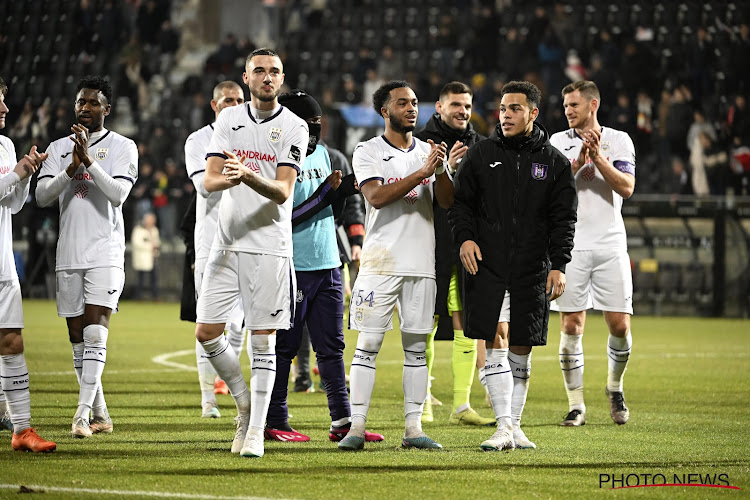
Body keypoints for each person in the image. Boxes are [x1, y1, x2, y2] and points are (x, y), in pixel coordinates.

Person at [449, 81, 577, 451]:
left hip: (533, 268)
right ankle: (503, 426)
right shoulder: (480, 154)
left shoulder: (554, 163)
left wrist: (559, 264)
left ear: (533, 113)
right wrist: (466, 239)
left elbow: (564, 219)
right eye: (503, 109)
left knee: (522, 344)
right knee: (494, 338)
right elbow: (460, 205)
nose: (505, 115)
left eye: (515, 109)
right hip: (486, 264)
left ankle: (514, 426)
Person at [194, 48, 308, 459]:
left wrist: (246, 174)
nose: (267, 77)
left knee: (263, 341)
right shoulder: (229, 119)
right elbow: (208, 180)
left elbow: (283, 191)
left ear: (282, 78)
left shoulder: (294, 127)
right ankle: (244, 403)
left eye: (274, 71)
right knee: (206, 333)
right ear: (246, 78)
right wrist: (232, 178)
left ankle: (255, 430)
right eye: (259, 71)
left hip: (269, 249)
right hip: (226, 242)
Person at [264, 90, 383, 444]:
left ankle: (342, 422)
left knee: (332, 348)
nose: (314, 129)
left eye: (317, 123)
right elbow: (281, 218)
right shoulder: (278, 159)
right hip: (292, 265)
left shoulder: (329, 156)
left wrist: (340, 197)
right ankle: (275, 421)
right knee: (284, 348)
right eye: (308, 123)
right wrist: (323, 198)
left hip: (330, 262)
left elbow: (331, 215)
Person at [338, 80, 452, 451]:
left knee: (417, 348)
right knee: (368, 344)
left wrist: (444, 169)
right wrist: (422, 172)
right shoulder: (368, 150)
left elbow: (447, 202)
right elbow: (376, 196)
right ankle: (356, 428)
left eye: (415, 102)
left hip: (422, 263)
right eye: (402, 103)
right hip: (379, 262)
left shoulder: (430, 151)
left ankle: (413, 428)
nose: (411, 108)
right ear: (384, 111)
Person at [36, 75, 139, 438]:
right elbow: (42, 197)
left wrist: (89, 162)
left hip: (105, 252)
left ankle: (80, 415)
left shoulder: (124, 147)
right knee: (77, 337)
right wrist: (71, 167)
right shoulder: (58, 146)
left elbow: (117, 195)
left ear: (106, 109)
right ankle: (101, 413)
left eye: (93, 102)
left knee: (96, 333)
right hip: (69, 252)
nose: (85, 108)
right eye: (81, 102)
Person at [549, 80, 636, 427]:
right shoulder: (556, 142)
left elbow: (627, 188)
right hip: (569, 247)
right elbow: (549, 190)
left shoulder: (618, 140)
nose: (568, 110)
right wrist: (575, 165)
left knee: (619, 324)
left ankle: (615, 387)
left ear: (593, 105)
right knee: (571, 324)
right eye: (565, 105)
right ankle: (576, 405)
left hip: (610, 243)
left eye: (574, 105)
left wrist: (597, 157)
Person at [414, 81, 494, 426]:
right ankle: (421, 404)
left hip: (463, 244)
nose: (463, 111)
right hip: (428, 244)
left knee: (465, 322)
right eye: (456, 105)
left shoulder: (481, 144)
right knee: (425, 324)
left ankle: (461, 405)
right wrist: (444, 168)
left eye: (467, 105)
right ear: (439, 107)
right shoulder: (420, 142)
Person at [183, 81, 246, 418]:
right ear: (214, 104)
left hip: (247, 240)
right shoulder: (198, 140)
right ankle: (208, 398)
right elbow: (203, 187)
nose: (233, 105)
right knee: (208, 322)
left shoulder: (253, 134)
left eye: (238, 100)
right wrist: (245, 175)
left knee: (239, 325)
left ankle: (235, 399)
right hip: (210, 244)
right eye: (227, 101)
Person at [0, 76, 56, 452]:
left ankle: (22, 430)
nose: (5, 109)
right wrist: (16, 174)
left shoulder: (4, 144)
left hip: (2, 264)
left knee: (12, 341)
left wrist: (23, 177)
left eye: (4, 100)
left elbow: (13, 204)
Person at [131, 212, 160, 300]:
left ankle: (154, 296)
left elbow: (157, 242)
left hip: (152, 258)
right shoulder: (138, 230)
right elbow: (136, 243)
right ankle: (138, 296)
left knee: (154, 279)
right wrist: (150, 247)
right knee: (140, 279)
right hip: (142, 258)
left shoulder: (154, 230)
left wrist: (156, 249)